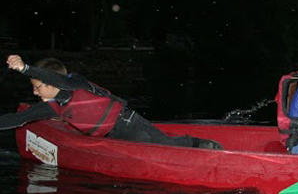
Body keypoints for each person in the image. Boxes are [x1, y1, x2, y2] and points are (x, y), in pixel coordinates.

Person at [1, 54, 222, 149]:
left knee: (162, 145)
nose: (36, 93)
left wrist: (25, 68)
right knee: (161, 145)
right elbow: (19, 118)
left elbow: (59, 81)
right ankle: (199, 146)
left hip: (128, 122)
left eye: (37, 87)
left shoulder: (74, 83)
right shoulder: (51, 105)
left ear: (51, 83)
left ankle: (200, 145)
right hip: (116, 133)